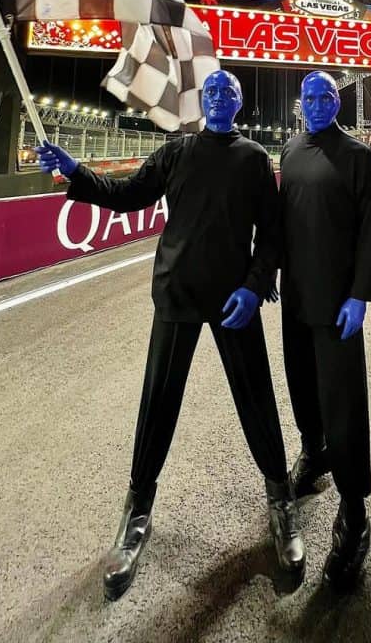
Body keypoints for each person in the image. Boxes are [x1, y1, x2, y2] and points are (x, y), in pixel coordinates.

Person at [35, 70, 305, 600]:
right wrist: (76, 171)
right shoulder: (175, 152)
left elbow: (271, 233)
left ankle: (280, 502)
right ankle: (136, 514)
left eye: (230, 92)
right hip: (177, 296)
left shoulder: (253, 158)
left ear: (239, 101)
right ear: (202, 102)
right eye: (213, 92)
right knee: (157, 405)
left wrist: (255, 286)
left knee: (258, 402)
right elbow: (126, 195)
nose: (221, 98)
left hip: (235, 302)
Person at [279, 70, 371, 592]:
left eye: (326, 96)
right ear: (300, 104)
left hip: (339, 303)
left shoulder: (358, 156)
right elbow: (284, 220)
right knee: (300, 384)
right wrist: (271, 274)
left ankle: (354, 511)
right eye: (309, 97)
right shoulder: (291, 150)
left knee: (344, 402)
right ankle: (313, 452)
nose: (318, 103)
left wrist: (361, 295)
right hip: (296, 298)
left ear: (336, 101)